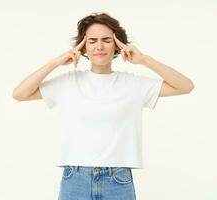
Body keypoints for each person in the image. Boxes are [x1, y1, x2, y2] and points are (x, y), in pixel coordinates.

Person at [13, 12, 194, 200]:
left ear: (117, 44)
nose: (99, 46)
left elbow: (185, 86)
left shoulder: (133, 84)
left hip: (118, 181)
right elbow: (19, 94)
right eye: (92, 41)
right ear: (83, 47)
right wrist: (56, 62)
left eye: (106, 40)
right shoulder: (67, 83)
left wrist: (144, 60)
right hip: (75, 179)